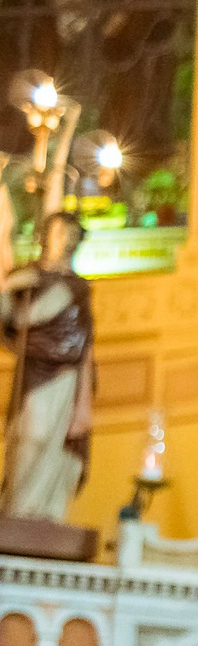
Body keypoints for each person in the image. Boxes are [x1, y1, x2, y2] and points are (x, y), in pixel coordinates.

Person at [1, 210, 93, 519]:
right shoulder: (29, 278)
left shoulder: (79, 288)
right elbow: (11, 317)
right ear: (46, 238)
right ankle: (19, 510)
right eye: (56, 233)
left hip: (65, 376)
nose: (63, 239)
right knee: (31, 437)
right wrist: (13, 284)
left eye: (69, 233)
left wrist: (84, 403)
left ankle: (43, 514)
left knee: (55, 448)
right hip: (35, 373)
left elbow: (85, 345)